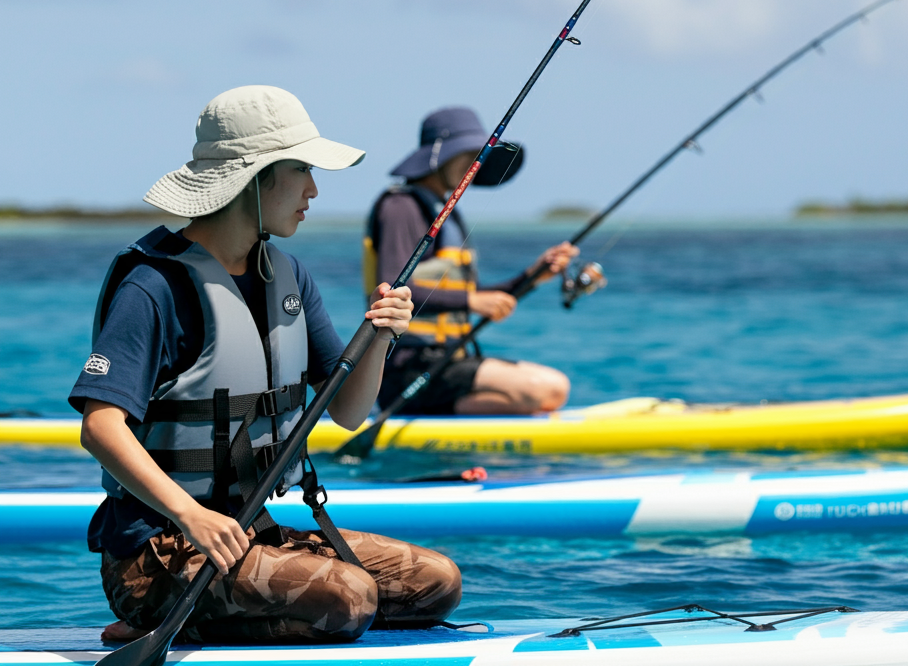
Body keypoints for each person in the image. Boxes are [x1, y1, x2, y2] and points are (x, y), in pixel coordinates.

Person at [69, 86, 462, 645]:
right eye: (300, 168)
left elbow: (349, 413)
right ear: (254, 180)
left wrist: (379, 338)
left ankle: (226, 618)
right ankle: (151, 614)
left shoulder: (288, 276)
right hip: (160, 551)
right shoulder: (153, 286)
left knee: (436, 583)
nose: (313, 189)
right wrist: (192, 515)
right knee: (349, 598)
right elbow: (100, 426)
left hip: (257, 536)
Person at [364, 106, 577, 416]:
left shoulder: (446, 212)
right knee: (550, 388)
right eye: (467, 156)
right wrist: (472, 301)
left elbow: (474, 295)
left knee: (547, 393)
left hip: (447, 362)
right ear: (440, 157)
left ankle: (446, 414)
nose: (474, 166)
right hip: (408, 368)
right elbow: (391, 290)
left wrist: (533, 274)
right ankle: (428, 411)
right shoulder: (401, 207)